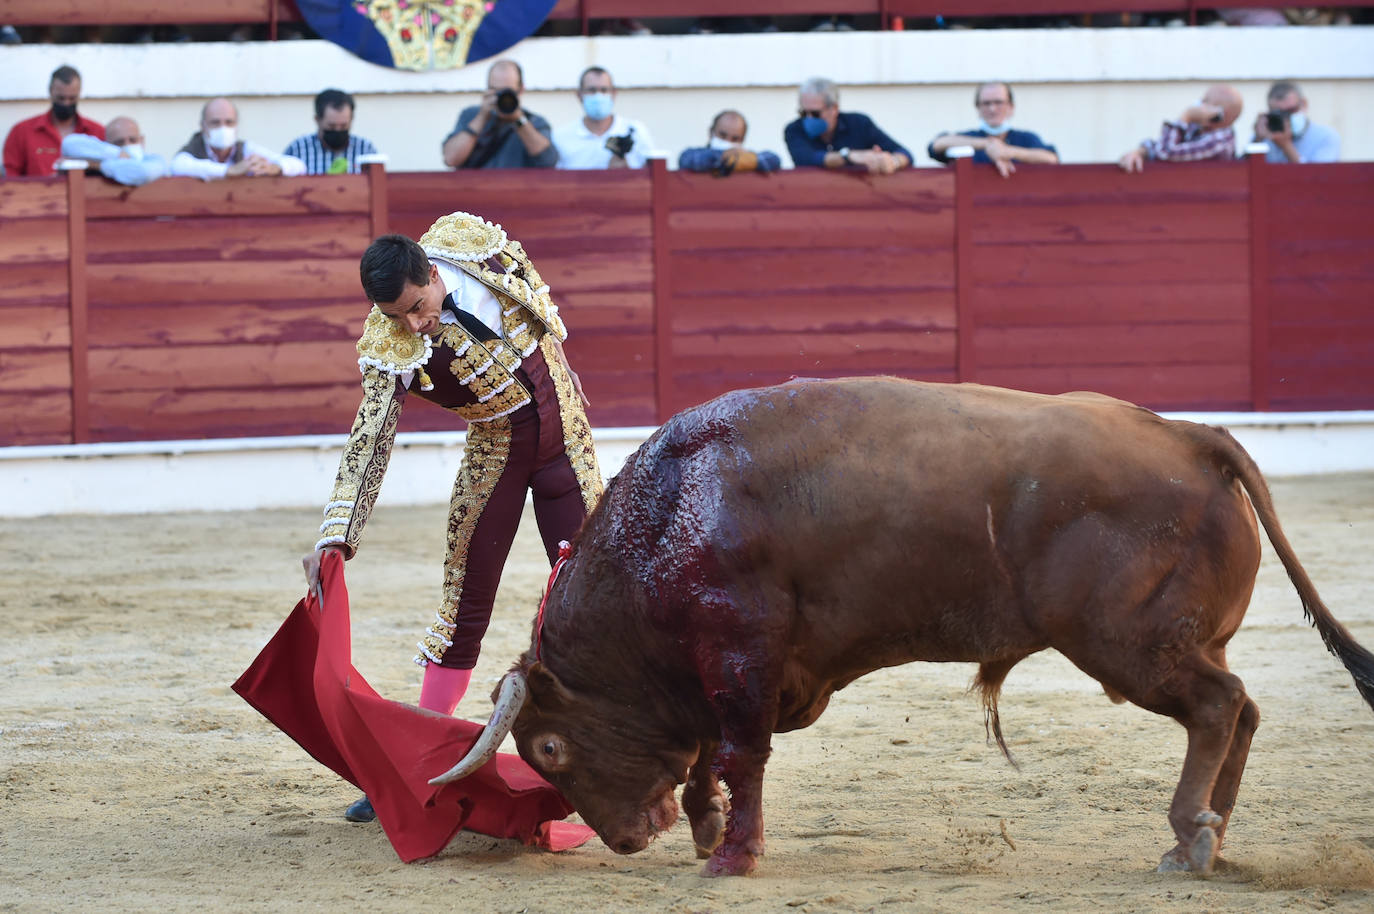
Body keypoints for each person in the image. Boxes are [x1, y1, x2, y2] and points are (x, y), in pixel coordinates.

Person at [303, 212, 604, 823]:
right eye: (397, 317)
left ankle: (623, 749)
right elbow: (370, 438)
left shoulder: (476, 246)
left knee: (602, 597)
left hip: (568, 441)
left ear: (433, 272)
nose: (414, 324)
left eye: (417, 306)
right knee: (464, 605)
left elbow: (549, 334)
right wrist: (336, 538)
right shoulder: (391, 345)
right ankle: (422, 768)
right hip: (497, 454)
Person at [441, 59, 557, 169]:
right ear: (487, 89)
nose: (502, 97)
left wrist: (519, 120)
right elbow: (451, 159)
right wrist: (481, 117)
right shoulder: (471, 116)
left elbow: (548, 161)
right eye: (495, 90)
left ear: (521, 90)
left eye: (508, 91)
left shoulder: (535, 122)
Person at [927, 82, 1059, 178]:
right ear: (978, 108)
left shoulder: (1026, 138)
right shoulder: (969, 137)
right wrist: (987, 144)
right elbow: (937, 144)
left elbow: (1051, 158)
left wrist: (1008, 152)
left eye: (998, 102)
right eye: (986, 103)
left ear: (1010, 107)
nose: (992, 109)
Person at [783, 77, 912, 174]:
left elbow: (905, 154)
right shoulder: (794, 130)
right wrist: (849, 156)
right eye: (803, 112)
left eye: (815, 113)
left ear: (834, 108)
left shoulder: (860, 124)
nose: (809, 118)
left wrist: (891, 162)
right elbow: (807, 159)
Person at [3, 65, 105, 177]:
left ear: (79, 93)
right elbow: (10, 180)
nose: (66, 103)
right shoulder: (22, 132)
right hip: (37, 194)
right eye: (61, 98)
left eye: (72, 98)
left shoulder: (97, 132)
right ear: (50, 91)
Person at [169, 97, 306, 180]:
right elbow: (178, 165)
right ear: (203, 126)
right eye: (215, 123)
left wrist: (274, 168)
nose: (223, 128)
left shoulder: (246, 148)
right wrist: (229, 171)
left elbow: (299, 166)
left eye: (229, 122)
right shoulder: (194, 148)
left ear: (237, 125)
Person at [1117, 84, 1243, 172]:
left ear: (1218, 113)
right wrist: (1139, 152)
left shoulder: (1219, 142)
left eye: (1205, 101)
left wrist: (1185, 116)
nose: (1199, 104)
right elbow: (1159, 146)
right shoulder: (1198, 130)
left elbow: (1166, 153)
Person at [552, 67, 656, 170]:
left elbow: (652, 172)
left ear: (614, 94)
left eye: (604, 90)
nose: (598, 95)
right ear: (579, 95)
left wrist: (625, 170)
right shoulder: (561, 136)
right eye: (591, 90)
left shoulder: (636, 131)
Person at [283, 89, 381, 175]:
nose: (338, 130)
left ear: (351, 119)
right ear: (317, 120)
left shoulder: (365, 150)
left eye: (344, 126)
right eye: (331, 126)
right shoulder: (298, 150)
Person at [60, 116, 167, 187]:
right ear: (107, 144)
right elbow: (69, 143)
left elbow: (140, 173)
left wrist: (97, 165)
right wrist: (116, 153)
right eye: (119, 142)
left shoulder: (156, 160)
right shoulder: (112, 155)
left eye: (132, 140)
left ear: (142, 141)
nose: (127, 145)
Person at [1251, 80, 1340, 164]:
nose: (1285, 119)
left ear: (1304, 104)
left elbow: (1318, 177)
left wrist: (1286, 146)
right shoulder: (1264, 137)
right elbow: (1245, 173)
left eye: (1290, 111)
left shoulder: (1326, 137)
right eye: (1278, 113)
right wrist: (1257, 141)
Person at [678, 110, 781, 176]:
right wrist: (723, 157)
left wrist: (739, 160)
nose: (728, 142)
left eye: (735, 139)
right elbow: (686, 159)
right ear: (711, 132)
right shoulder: (693, 154)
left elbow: (773, 159)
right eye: (722, 136)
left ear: (742, 140)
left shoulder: (746, 156)